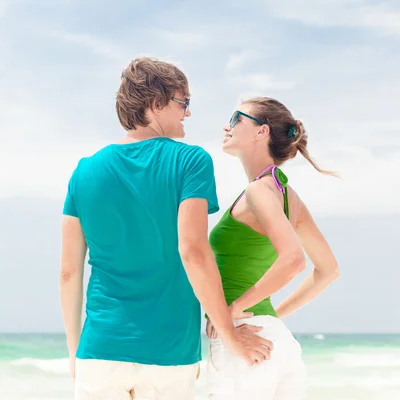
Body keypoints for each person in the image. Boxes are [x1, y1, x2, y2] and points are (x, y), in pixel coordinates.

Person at [59, 57, 273, 400]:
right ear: (155, 103)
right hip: (168, 352)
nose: (187, 113)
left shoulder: (84, 172)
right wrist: (228, 332)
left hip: (98, 349)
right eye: (183, 102)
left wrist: (74, 350)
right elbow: (193, 251)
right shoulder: (191, 161)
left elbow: (70, 272)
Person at [204, 97, 341, 399]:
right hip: (276, 341)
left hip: (245, 341)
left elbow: (294, 260)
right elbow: (328, 270)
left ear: (261, 132)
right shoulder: (289, 197)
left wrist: (235, 310)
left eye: (236, 118)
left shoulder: (258, 191)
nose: (227, 126)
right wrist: (272, 317)